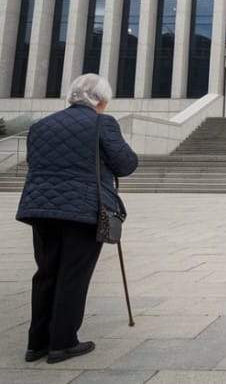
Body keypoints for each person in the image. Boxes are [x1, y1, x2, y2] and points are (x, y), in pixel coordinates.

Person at [16, 74, 138, 365]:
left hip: (41, 208)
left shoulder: (41, 125)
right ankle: (63, 342)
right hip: (82, 210)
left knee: (46, 272)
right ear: (100, 99)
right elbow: (126, 163)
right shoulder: (101, 123)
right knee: (73, 274)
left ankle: (37, 343)